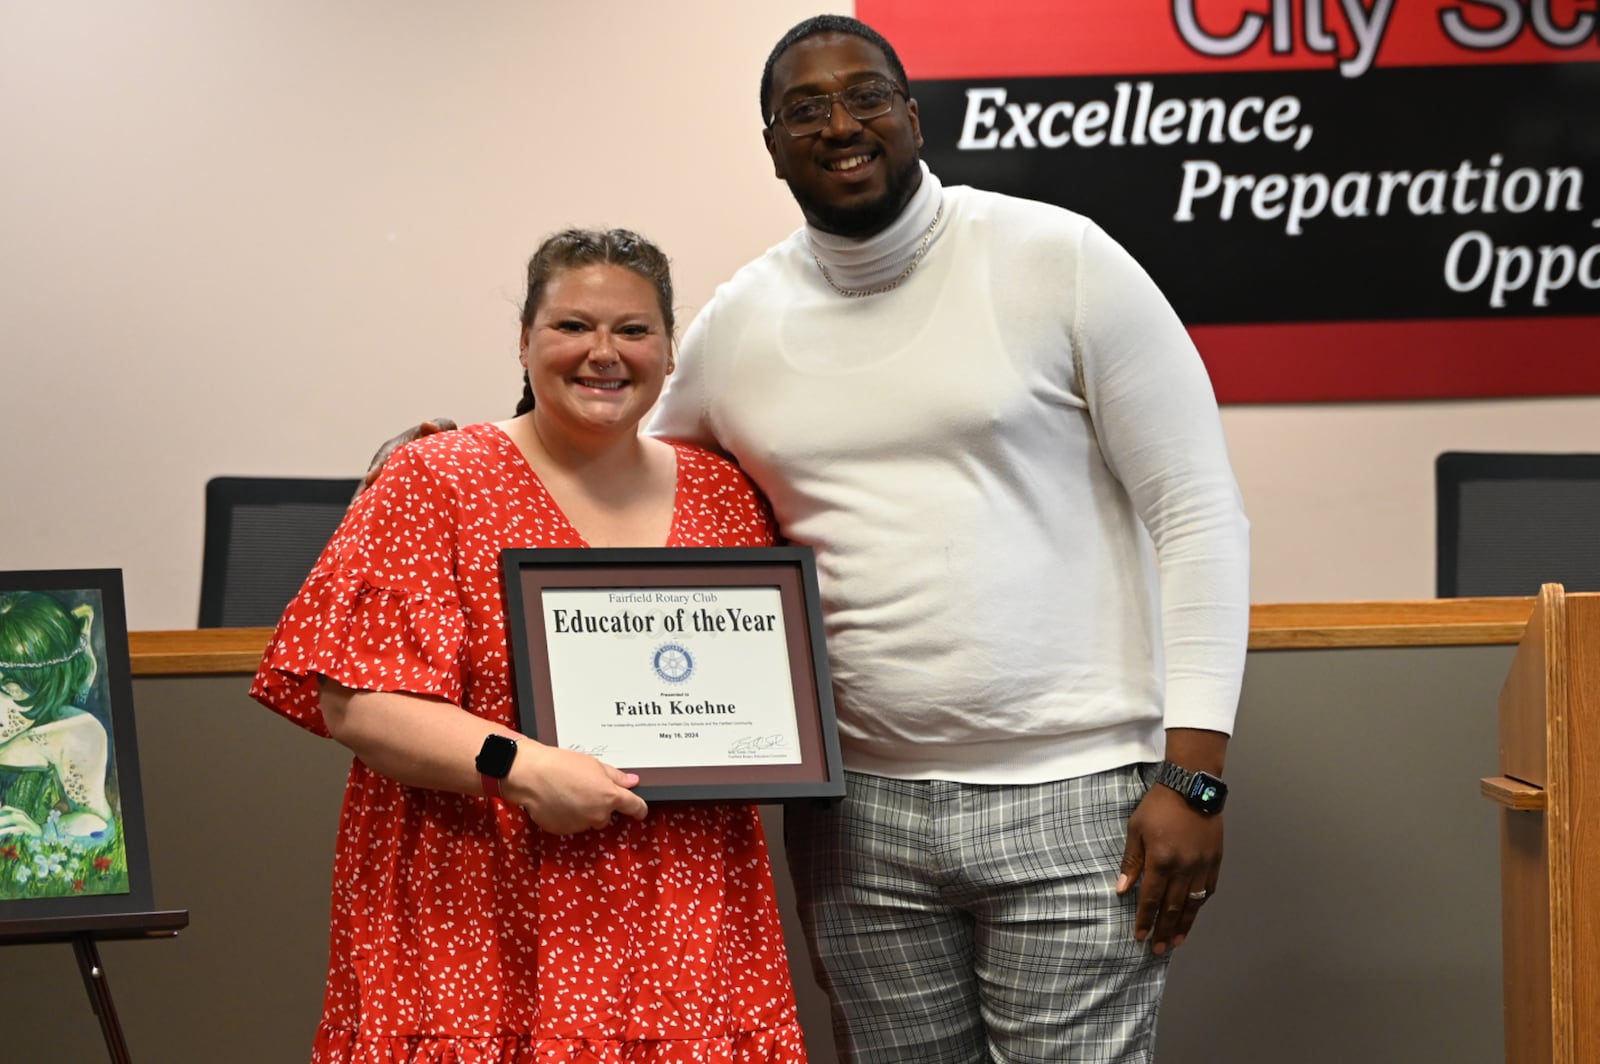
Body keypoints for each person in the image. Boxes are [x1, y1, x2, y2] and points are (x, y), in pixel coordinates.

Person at [369, 16, 1249, 1062]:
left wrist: (1193, 774)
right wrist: (459, 452)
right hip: (856, 812)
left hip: (1072, 791)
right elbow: (616, 455)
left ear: (914, 116)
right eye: (805, 108)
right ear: (772, 142)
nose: (841, 124)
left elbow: (1197, 510)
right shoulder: (741, 321)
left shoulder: (1059, 259)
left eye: (866, 95)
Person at [250, 229, 808, 1062]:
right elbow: (355, 702)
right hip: (473, 903)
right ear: (523, 339)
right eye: (572, 326)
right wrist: (524, 767)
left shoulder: (726, 495)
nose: (604, 354)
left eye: (633, 330)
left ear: (668, 348)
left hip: (680, 913)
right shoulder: (433, 480)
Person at [0, 592, 116, 847]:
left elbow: (97, 824)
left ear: (52, 684)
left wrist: (43, 833)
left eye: (11, 690)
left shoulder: (73, 733)